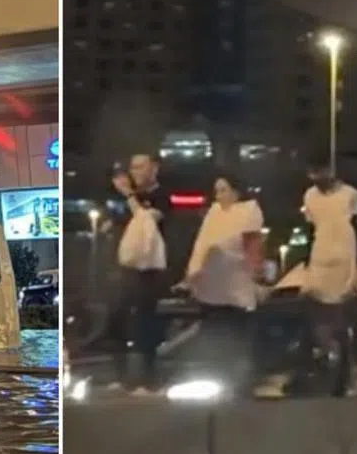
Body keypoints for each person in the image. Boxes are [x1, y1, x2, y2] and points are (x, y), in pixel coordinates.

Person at [177, 174, 266, 389]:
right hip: (211, 287)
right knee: (214, 334)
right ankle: (216, 377)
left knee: (236, 334)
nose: (218, 195)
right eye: (216, 191)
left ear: (236, 191)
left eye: (223, 190)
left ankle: (238, 381)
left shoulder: (248, 211)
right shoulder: (214, 213)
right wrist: (192, 274)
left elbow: (253, 248)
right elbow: (201, 246)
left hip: (236, 285)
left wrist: (256, 277)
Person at [294, 152, 357, 397]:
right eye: (311, 173)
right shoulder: (310, 196)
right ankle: (310, 373)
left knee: (342, 324)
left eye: (319, 171)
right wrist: (306, 267)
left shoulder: (350, 195)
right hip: (320, 260)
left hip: (344, 260)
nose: (315, 177)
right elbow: (309, 230)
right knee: (313, 318)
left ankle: (343, 379)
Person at [109, 152, 171, 395]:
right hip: (125, 268)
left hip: (150, 269)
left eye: (140, 166)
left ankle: (149, 379)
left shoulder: (161, 196)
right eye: (133, 167)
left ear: (154, 168)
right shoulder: (127, 198)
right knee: (117, 319)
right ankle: (121, 376)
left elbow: (147, 220)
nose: (135, 172)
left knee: (147, 321)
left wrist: (129, 195)